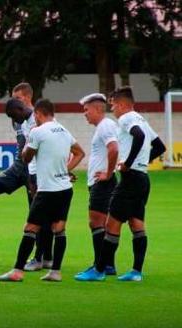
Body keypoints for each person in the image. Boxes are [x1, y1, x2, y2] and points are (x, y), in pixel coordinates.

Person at [76, 86, 166, 282]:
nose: (113, 110)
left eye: (114, 105)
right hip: (143, 178)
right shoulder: (142, 119)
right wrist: (142, 161)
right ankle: (136, 271)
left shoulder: (126, 119)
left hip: (130, 179)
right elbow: (160, 146)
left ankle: (99, 270)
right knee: (137, 224)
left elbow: (139, 136)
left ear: (124, 105)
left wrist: (128, 163)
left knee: (111, 224)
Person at [0, 99, 85, 282]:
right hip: (65, 189)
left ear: (38, 113)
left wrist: (26, 150)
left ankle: (17, 271)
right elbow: (79, 153)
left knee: (30, 228)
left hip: (47, 190)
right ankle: (55, 272)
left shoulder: (37, 132)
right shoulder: (63, 130)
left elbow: (27, 158)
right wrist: (66, 170)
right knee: (59, 229)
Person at [0, 83, 53, 271]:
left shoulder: (39, 119)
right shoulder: (16, 118)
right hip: (18, 168)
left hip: (36, 170)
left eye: (19, 98)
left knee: (38, 212)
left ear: (28, 98)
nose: (15, 102)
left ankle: (42, 256)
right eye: (13, 98)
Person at [74, 93, 119, 278]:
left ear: (98, 109)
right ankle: (107, 265)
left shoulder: (105, 125)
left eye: (86, 110)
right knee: (104, 224)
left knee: (96, 223)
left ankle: (98, 267)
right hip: (101, 182)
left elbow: (114, 148)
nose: (85, 114)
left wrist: (108, 173)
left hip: (103, 183)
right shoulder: (104, 126)